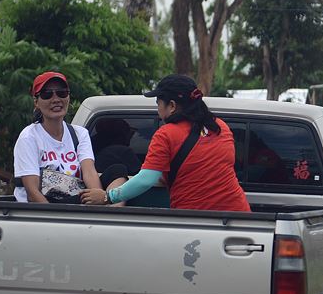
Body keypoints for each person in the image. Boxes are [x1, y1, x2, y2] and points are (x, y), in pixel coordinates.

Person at [81, 75, 251, 212]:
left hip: (197, 220)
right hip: (238, 216)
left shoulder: (166, 134)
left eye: (158, 104)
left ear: (172, 105)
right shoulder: (221, 127)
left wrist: (107, 197)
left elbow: (146, 179)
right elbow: (208, 166)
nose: (158, 110)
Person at [13, 71, 103, 203]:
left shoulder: (80, 134)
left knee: (117, 171)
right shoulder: (29, 137)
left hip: (75, 200)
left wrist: (99, 200)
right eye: (47, 94)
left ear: (68, 97)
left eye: (62, 93)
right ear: (36, 102)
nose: (56, 99)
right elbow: (32, 193)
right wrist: (57, 215)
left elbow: (89, 172)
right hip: (46, 207)